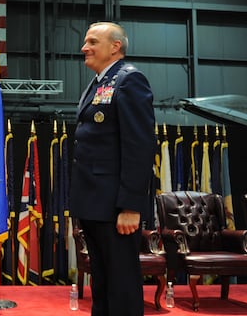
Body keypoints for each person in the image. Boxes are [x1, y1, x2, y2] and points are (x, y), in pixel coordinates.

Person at [69, 21, 156, 316]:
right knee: (103, 282)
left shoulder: (130, 80)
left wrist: (131, 205)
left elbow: (139, 146)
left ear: (115, 46)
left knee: (121, 284)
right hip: (94, 203)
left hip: (116, 206)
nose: (85, 47)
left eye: (92, 42)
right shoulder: (99, 83)